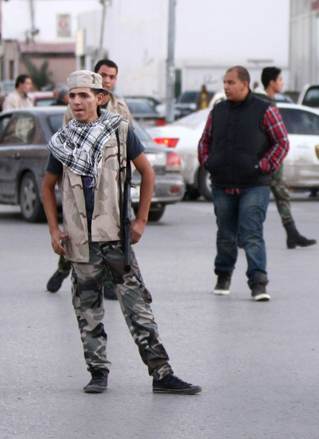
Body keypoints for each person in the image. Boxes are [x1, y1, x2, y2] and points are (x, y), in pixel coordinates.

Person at [41, 70, 201, 395]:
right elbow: (47, 187)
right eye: (72, 96)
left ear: (100, 98)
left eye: (84, 95)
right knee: (87, 310)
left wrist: (141, 220)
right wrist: (54, 230)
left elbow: (147, 173)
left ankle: (162, 374)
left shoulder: (119, 130)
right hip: (80, 240)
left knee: (137, 307)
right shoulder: (63, 140)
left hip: (115, 235)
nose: (77, 102)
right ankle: (97, 372)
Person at [46, 59, 135, 300]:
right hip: (81, 181)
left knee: (112, 233)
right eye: (103, 75)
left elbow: (129, 142)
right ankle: (64, 268)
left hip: (112, 183)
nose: (107, 80)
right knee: (78, 234)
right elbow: (68, 143)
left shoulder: (120, 107)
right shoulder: (78, 104)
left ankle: (108, 280)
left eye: (112, 77)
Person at [198, 66, 289, 300]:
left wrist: (263, 166)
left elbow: (281, 142)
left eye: (231, 82)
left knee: (251, 232)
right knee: (225, 234)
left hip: (254, 185)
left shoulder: (265, 110)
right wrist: (208, 162)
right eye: (224, 82)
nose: (226, 87)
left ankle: (258, 282)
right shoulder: (218, 110)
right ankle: (223, 276)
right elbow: (205, 141)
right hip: (223, 184)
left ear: (245, 84)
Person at [258, 67, 316, 249]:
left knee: (280, 194)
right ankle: (242, 235)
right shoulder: (262, 103)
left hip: (271, 159)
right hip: (266, 159)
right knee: (259, 198)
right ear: (272, 83)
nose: (282, 83)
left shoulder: (268, 101)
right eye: (280, 80)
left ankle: (292, 233)